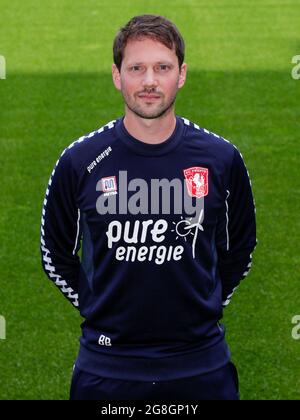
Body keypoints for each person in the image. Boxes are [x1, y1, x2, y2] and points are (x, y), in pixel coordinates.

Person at [40, 14, 257, 400]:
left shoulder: (221, 158)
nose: (150, 82)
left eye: (162, 67)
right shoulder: (80, 160)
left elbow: (240, 247)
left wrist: (204, 303)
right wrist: (96, 304)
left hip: (201, 365)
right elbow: (54, 254)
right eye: (136, 68)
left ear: (182, 74)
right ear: (116, 75)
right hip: (107, 368)